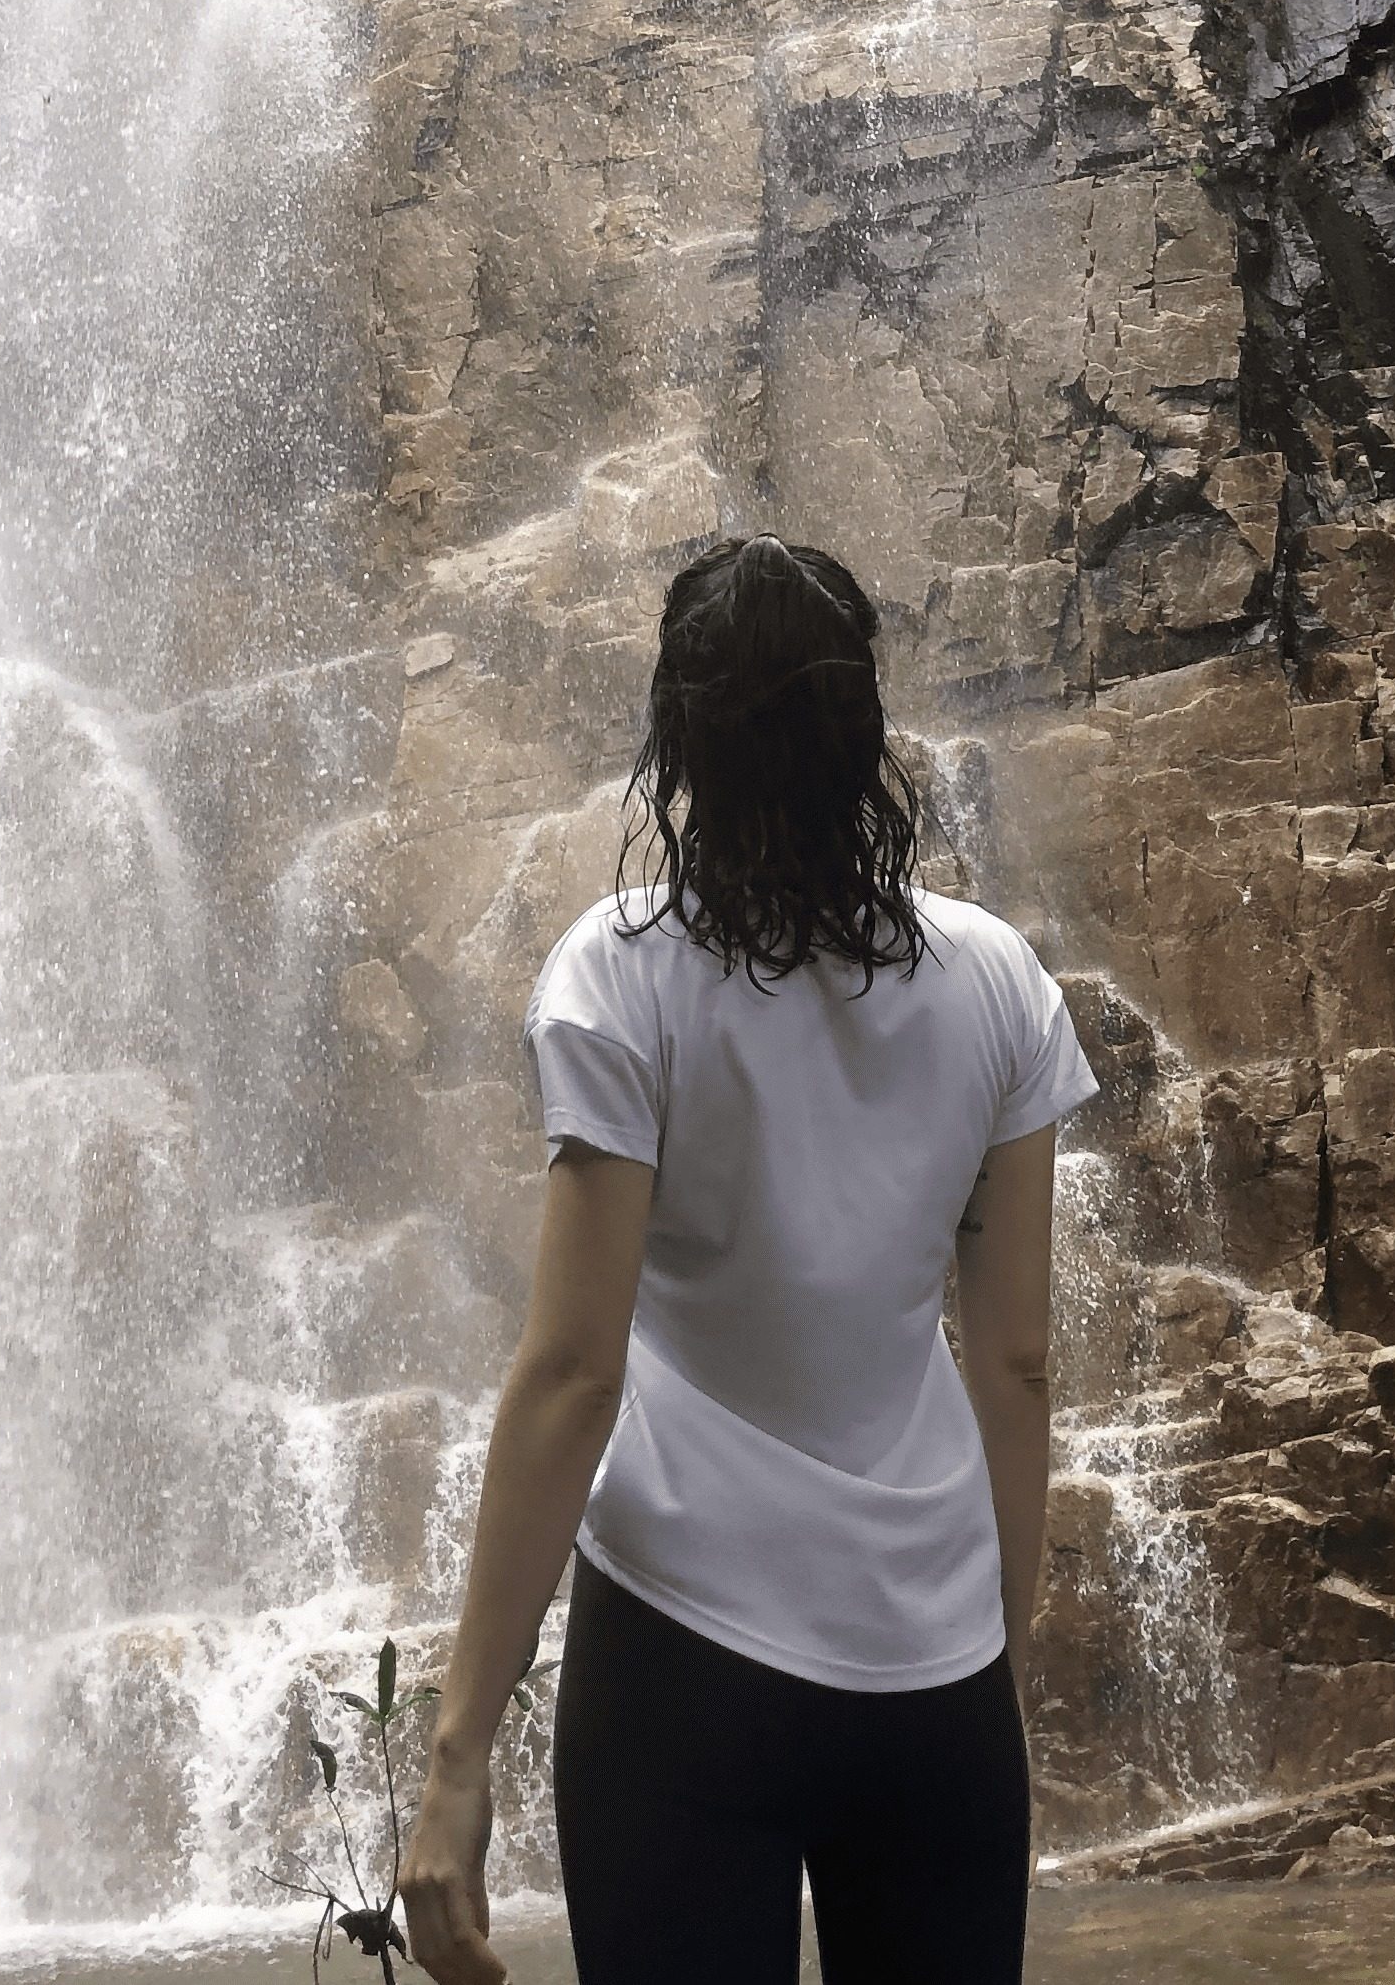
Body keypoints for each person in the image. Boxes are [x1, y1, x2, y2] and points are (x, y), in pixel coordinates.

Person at [397, 532, 1097, 1985]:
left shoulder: (620, 974)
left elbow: (576, 1372)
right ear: (867, 736)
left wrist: (457, 1756)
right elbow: (1017, 1361)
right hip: (929, 1669)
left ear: (679, 739)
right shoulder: (999, 985)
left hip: (679, 1656)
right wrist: (999, 1667)